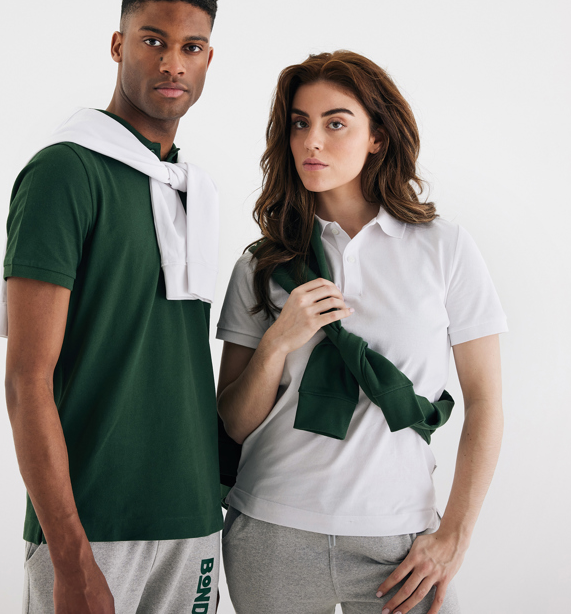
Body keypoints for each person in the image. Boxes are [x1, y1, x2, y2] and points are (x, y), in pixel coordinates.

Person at [216, 51, 507, 614]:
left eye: (336, 123)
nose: (312, 141)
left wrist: (455, 535)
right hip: (272, 533)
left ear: (377, 136)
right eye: (300, 123)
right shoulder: (262, 264)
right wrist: (278, 342)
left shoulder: (443, 248)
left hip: (399, 543)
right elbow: (234, 420)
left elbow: (486, 402)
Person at [0, 0, 222, 614]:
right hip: (92, 525)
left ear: (209, 58)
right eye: (153, 41)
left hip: (192, 519)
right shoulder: (65, 172)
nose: (173, 63)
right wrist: (71, 559)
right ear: (119, 45)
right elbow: (26, 380)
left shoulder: (194, 189)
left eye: (191, 47)